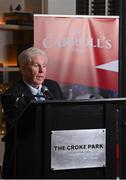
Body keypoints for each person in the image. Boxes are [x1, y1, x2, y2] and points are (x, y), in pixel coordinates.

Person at [0, 47, 65, 178]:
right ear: (23, 69)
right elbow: (20, 129)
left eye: (44, 66)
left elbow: (64, 115)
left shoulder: (53, 86)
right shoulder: (11, 95)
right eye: (36, 66)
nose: (42, 71)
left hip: (54, 156)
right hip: (24, 160)